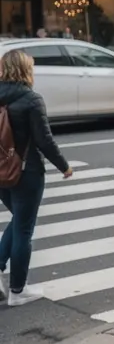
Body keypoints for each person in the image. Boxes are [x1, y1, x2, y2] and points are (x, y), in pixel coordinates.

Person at [0, 50, 73, 305]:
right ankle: (18, 291)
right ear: (25, 69)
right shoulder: (31, 99)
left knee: (18, 220)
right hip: (25, 172)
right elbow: (44, 140)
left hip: (0, 171)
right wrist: (64, 166)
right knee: (23, 228)